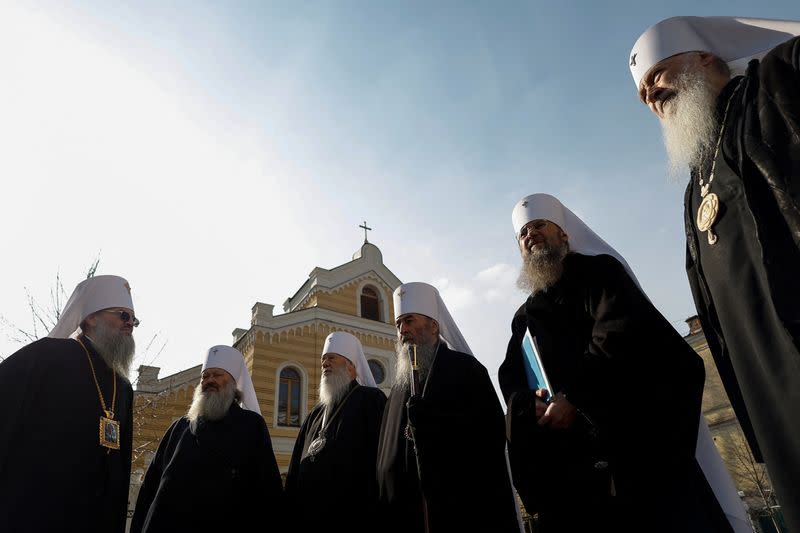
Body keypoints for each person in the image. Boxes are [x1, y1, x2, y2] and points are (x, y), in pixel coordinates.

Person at [629, 16, 800, 531]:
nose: (651, 96)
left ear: (706, 57)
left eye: (658, 75)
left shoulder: (772, 86)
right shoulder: (694, 178)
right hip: (761, 379)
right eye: (642, 93)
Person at [500, 194, 750, 533]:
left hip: (636, 453)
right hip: (574, 470)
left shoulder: (601, 273)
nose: (531, 235)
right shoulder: (523, 316)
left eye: (539, 225)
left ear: (564, 234)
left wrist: (574, 397)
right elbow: (511, 375)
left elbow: (618, 335)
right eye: (524, 233)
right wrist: (528, 405)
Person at [377, 282, 521, 533]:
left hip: (462, 510)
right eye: (398, 324)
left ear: (434, 325)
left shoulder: (468, 371)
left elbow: (490, 439)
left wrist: (433, 426)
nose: (403, 330)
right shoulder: (396, 393)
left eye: (409, 320)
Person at [0, 275, 137, 533]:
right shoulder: (46, 357)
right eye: (123, 315)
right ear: (90, 317)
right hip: (36, 511)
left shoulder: (124, 387)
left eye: (134, 320)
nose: (130, 324)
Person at [130, 345, 283, 533]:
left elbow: (267, 490)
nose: (209, 380)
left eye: (217, 375)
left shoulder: (251, 425)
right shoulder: (180, 427)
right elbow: (150, 486)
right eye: (205, 376)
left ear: (233, 383)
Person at [285, 331, 386, 532]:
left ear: (351, 366)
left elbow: (381, 460)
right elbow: (295, 465)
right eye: (323, 359)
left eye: (331, 358)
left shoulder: (371, 400)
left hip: (353, 519)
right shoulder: (315, 413)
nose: (324, 364)